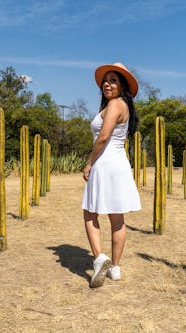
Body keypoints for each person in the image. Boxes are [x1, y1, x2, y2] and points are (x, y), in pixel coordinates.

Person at [82, 62, 141, 288]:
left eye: (113, 80)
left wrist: (89, 163)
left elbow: (103, 137)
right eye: (106, 80)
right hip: (119, 165)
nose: (107, 84)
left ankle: (99, 258)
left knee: (90, 213)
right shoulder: (123, 106)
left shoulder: (116, 104)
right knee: (117, 219)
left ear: (122, 86)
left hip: (105, 164)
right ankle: (115, 268)